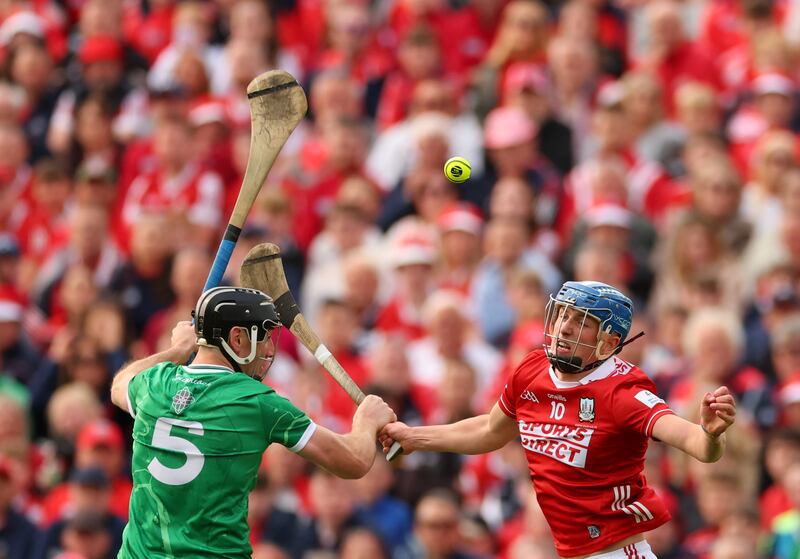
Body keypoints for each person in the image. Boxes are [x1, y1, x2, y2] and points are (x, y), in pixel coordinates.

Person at [382, 280, 737, 559]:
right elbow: (490, 430)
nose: (565, 327)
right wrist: (415, 437)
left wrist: (710, 433)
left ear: (608, 341)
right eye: (563, 314)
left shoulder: (623, 391)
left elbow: (697, 446)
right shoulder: (531, 369)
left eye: (581, 322)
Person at [109, 286, 396, 558]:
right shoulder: (257, 402)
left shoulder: (155, 383)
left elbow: (119, 384)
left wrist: (176, 352)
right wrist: (366, 421)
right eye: (263, 336)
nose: (269, 348)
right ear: (236, 338)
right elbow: (353, 461)